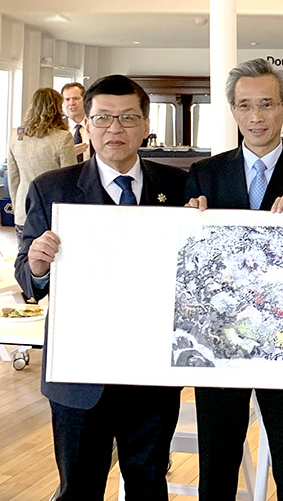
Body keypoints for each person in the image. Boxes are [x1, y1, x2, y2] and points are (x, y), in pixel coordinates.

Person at [14, 74, 186, 501]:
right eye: (103, 118)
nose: (115, 128)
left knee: (148, 484)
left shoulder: (179, 187)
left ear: (146, 125)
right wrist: (37, 265)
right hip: (79, 371)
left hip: (151, 368)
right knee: (79, 487)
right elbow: (28, 279)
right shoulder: (52, 188)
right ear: (86, 125)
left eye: (128, 117)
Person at [185, 58, 283, 501]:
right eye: (245, 105)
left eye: (267, 104)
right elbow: (191, 263)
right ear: (233, 110)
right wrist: (190, 225)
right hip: (220, 341)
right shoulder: (204, 175)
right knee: (216, 465)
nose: (256, 116)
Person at [8, 88, 76, 250]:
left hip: (23, 209)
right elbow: (70, 180)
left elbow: (13, 176)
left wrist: (16, 205)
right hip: (51, 211)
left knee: (24, 256)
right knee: (52, 259)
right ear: (57, 108)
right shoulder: (63, 137)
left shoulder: (16, 135)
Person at [62, 82, 91, 163]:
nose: (71, 103)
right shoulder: (57, 128)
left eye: (76, 98)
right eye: (67, 99)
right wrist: (68, 154)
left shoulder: (94, 125)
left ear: (85, 100)